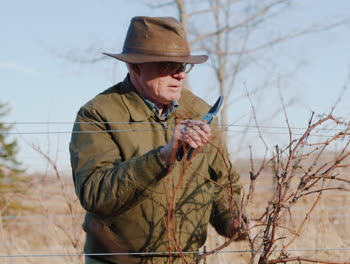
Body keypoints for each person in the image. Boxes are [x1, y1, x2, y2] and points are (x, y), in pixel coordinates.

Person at [69, 16, 245, 264]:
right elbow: (95, 194)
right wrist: (161, 157)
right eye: (168, 66)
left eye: (183, 66)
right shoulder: (99, 113)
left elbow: (221, 183)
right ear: (135, 67)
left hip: (184, 259)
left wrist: (232, 221)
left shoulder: (199, 112)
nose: (180, 75)